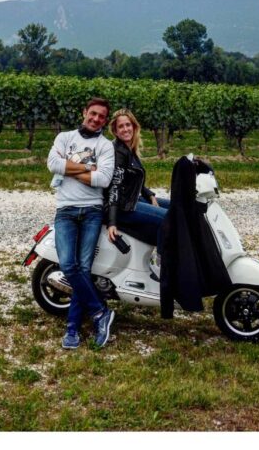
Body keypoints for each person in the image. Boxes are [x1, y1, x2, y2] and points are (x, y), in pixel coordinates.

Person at [46, 97, 116, 349]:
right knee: (68, 265)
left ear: (105, 121)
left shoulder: (105, 146)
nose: (96, 119)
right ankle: (100, 312)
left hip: (92, 212)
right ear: (84, 112)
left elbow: (104, 179)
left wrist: (68, 168)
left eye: (101, 116)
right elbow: (52, 164)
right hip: (65, 210)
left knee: (83, 270)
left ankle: (72, 329)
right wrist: (88, 168)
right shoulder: (64, 137)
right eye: (93, 113)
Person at [104, 109, 169, 277]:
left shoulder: (129, 148)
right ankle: (160, 264)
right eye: (121, 127)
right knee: (169, 219)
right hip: (121, 207)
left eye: (128, 125)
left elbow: (133, 178)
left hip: (131, 199)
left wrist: (149, 193)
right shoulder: (118, 151)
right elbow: (115, 186)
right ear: (115, 131)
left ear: (134, 126)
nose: (126, 129)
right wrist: (112, 221)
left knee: (177, 207)